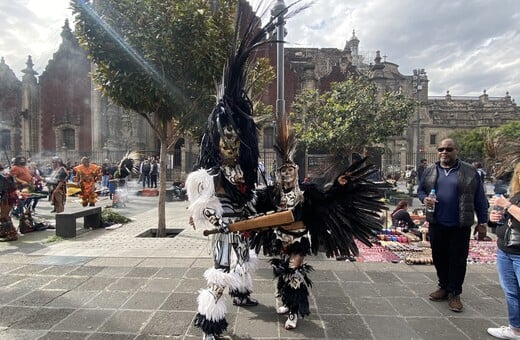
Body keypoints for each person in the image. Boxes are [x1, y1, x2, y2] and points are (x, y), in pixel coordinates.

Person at [417, 138, 488, 313]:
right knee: (439, 257)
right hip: (437, 222)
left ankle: (454, 293)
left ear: (456, 151)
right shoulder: (430, 171)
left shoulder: (470, 172)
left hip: (460, 224)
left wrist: (483, 223)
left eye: (448, 149)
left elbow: (480, 199)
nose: (444, 152)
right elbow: (421, 190)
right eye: (441, 149)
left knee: (457, 260)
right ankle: (443, 286)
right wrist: (423, 198)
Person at [486, 163, 520, 340]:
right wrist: (494, 218)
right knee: (511, 292)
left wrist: (507, 206)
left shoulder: (511, 201)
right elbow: (507, 219)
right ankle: (515, 329)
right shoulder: (515, 196)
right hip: (505, 250)